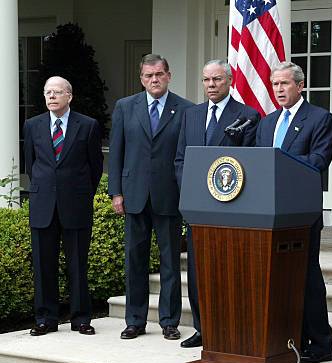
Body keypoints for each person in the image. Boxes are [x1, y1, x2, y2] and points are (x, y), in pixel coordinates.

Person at [108, 54, 194, 340]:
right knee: (135, 260)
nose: (154, 80)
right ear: (141, 78)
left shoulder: (186, 109)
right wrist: (116, 192)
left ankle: (169, 321)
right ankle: (134, 320)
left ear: (169, 75)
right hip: (134, 196)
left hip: (170, 196)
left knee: (170, 262)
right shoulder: (125, 107)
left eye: (159, 74)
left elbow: (187, 156)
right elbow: (116, 152)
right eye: (148, 76)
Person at [174, 59, 259, 348]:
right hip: (198, 209)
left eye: (217, 80)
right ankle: (201, 328)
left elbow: (249, 162)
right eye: (207, 80)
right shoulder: (191, 115)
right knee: (198, 272)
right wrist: (191, 191)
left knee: (226, 270)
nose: (211, 85)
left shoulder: (248, 115)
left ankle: (228, 329)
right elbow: (180, 159)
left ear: (230, 81)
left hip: (230, 208)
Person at [255, 61, 332, 363]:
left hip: (300, 213)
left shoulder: (319, 118)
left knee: (306, 277)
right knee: (278, 278)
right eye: (275, 84)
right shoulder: (267, 122)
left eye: (285, 84)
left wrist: (279, 163)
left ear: (300, 86)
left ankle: (322, 343)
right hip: (267, 212)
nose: (279, 89)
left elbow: (317, 161)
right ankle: (290, 338)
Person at [24, 76, 103, 336]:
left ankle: (81, 318)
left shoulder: (88, 125)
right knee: (43, 264)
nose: (51, 97)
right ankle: (46, 318)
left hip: (76, 204)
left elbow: (95, 167)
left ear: (69, 96)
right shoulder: (32, 125)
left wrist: (80, 193)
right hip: (43, 203)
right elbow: (31, 165)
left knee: (78, 264)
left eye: (57, 92)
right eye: (47, 92)